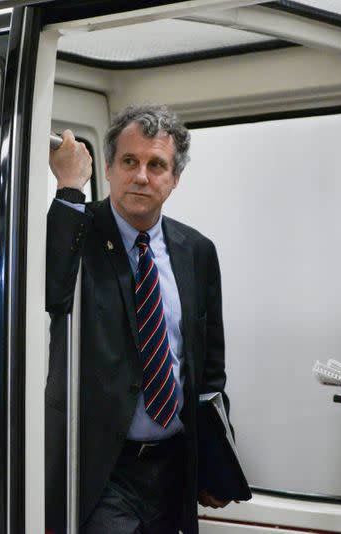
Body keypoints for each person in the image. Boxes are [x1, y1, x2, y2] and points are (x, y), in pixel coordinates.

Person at [46, 105, 234, 534]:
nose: (142, 176)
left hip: (173, 467)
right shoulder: (79, 231)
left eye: (157, 165)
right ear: (109, 168)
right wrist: (70, 187)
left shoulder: (196, 250)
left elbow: (208, 370)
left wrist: (213, 459)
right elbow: (51, 292)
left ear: (174, 179)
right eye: (129, 161)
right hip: (101, 469)